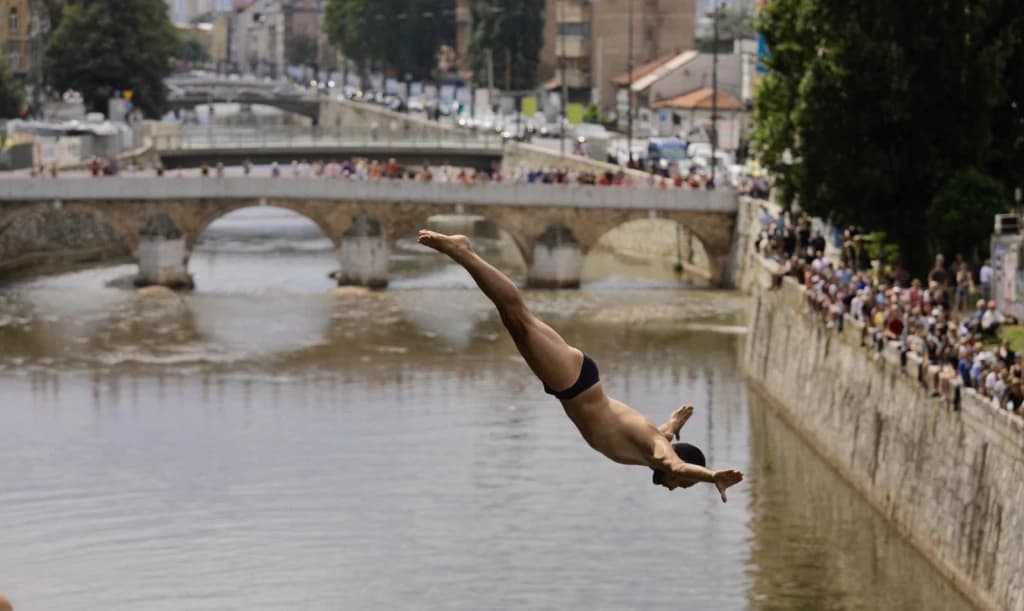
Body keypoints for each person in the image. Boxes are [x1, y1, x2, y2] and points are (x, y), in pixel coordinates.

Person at [416, 229, 744, 500]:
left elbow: (663, 438)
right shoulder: (660, 453)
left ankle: (466, 254)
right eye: (684, 486)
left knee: (518, 318)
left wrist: (673, 421)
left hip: (577, 382)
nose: (676, 487)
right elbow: (674, 466)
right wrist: (712, 476)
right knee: (516, 317)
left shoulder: (653, 445)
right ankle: (463, 252)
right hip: (574, 384)